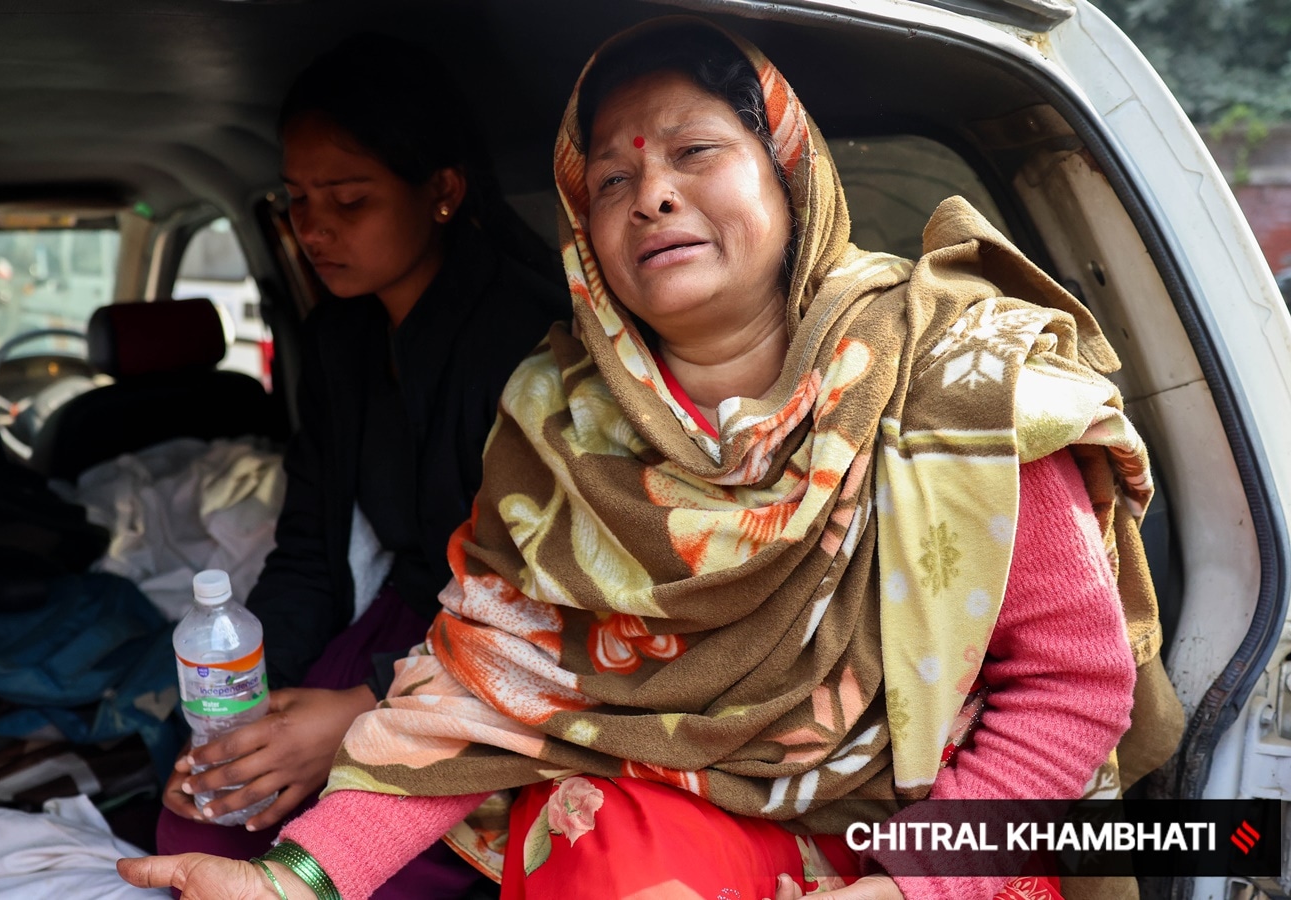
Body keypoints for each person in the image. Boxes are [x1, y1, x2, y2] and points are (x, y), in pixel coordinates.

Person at [124, 18, 1182, 900]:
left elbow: (1070, 690)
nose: (652, 195)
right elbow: (485, 689)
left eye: (695, 152)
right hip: (685, 831)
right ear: (586, 232)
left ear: (787, 172)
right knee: (589, 831)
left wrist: (908, 888)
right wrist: (294, 882)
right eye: (613, 178)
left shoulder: (953, 373)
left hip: (928, 839)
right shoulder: (558, 426)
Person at [150, 33, 570, 899]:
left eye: (348, 200)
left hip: (505, 656)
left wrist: (360, 709)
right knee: (206, 814)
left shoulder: (528, 343)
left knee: (354, 872)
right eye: (298, 200)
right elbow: (309, 547)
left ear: (442, 191)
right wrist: (250, 703)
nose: (313, 229)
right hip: (397, 621)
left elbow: (549, 603)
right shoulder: (338, 338)